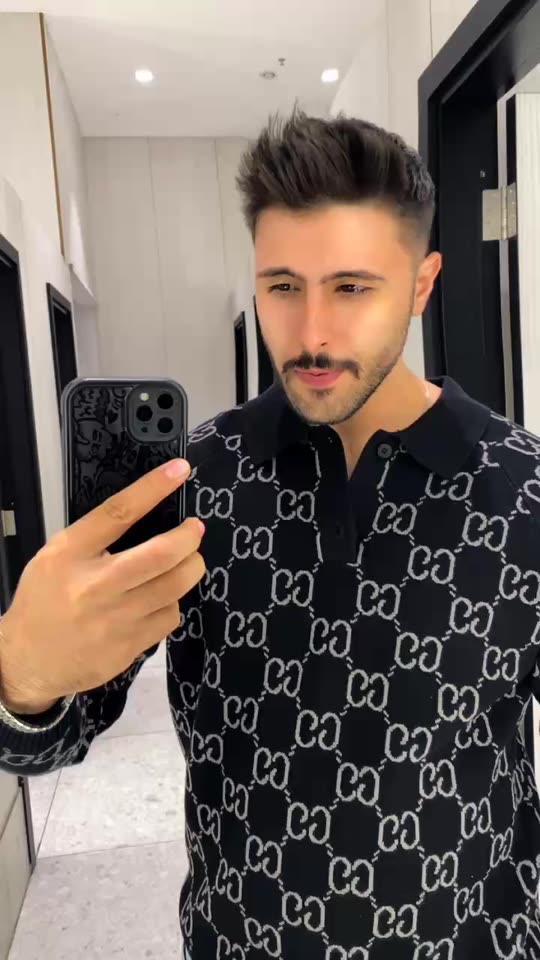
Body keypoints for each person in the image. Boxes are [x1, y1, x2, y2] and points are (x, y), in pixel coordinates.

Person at [1, 107, 540, 960]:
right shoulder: (192, 479)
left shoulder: (524, 486)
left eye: (352, 287)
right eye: (283, 287)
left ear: (422, 284)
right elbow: (62, 733)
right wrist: (22, 679)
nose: (312, 333)